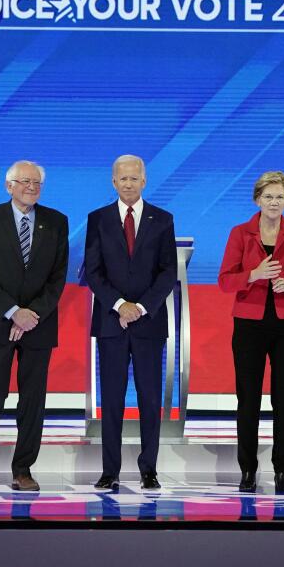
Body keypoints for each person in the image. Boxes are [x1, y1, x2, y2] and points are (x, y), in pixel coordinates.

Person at [0, 160, 69, 493]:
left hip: (38, 324)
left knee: (32, 401)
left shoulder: (56, 221)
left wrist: (31, 315)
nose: (31, 187)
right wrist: (13, 312)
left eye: (37, 182)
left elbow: (57, 277)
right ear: (8, 185)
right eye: (24, 181)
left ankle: (23, 469)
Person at [217, 170, 284, 494]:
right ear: (257, 199)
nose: (274, 202)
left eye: (280, 197)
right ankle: (248, 470)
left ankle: (282, 471)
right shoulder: (239, 233)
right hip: (249, 324)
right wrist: (254, 274)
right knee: (248, 401)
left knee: (283, 401)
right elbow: (225, 280)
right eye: (268, 196)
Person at [83, 155, 177, 492]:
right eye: (122, 178)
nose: (128, 183)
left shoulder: (163, 219)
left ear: (144, 180)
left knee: (150, 399)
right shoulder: (98, 219)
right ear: (113, 181)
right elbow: (92, 271)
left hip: (148, 323)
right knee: (112, 399)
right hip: (112, 323)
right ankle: (110, 471)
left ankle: (148, 468)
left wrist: (141, 307)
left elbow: (168, 271)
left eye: (134, 178)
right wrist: (121, 305)